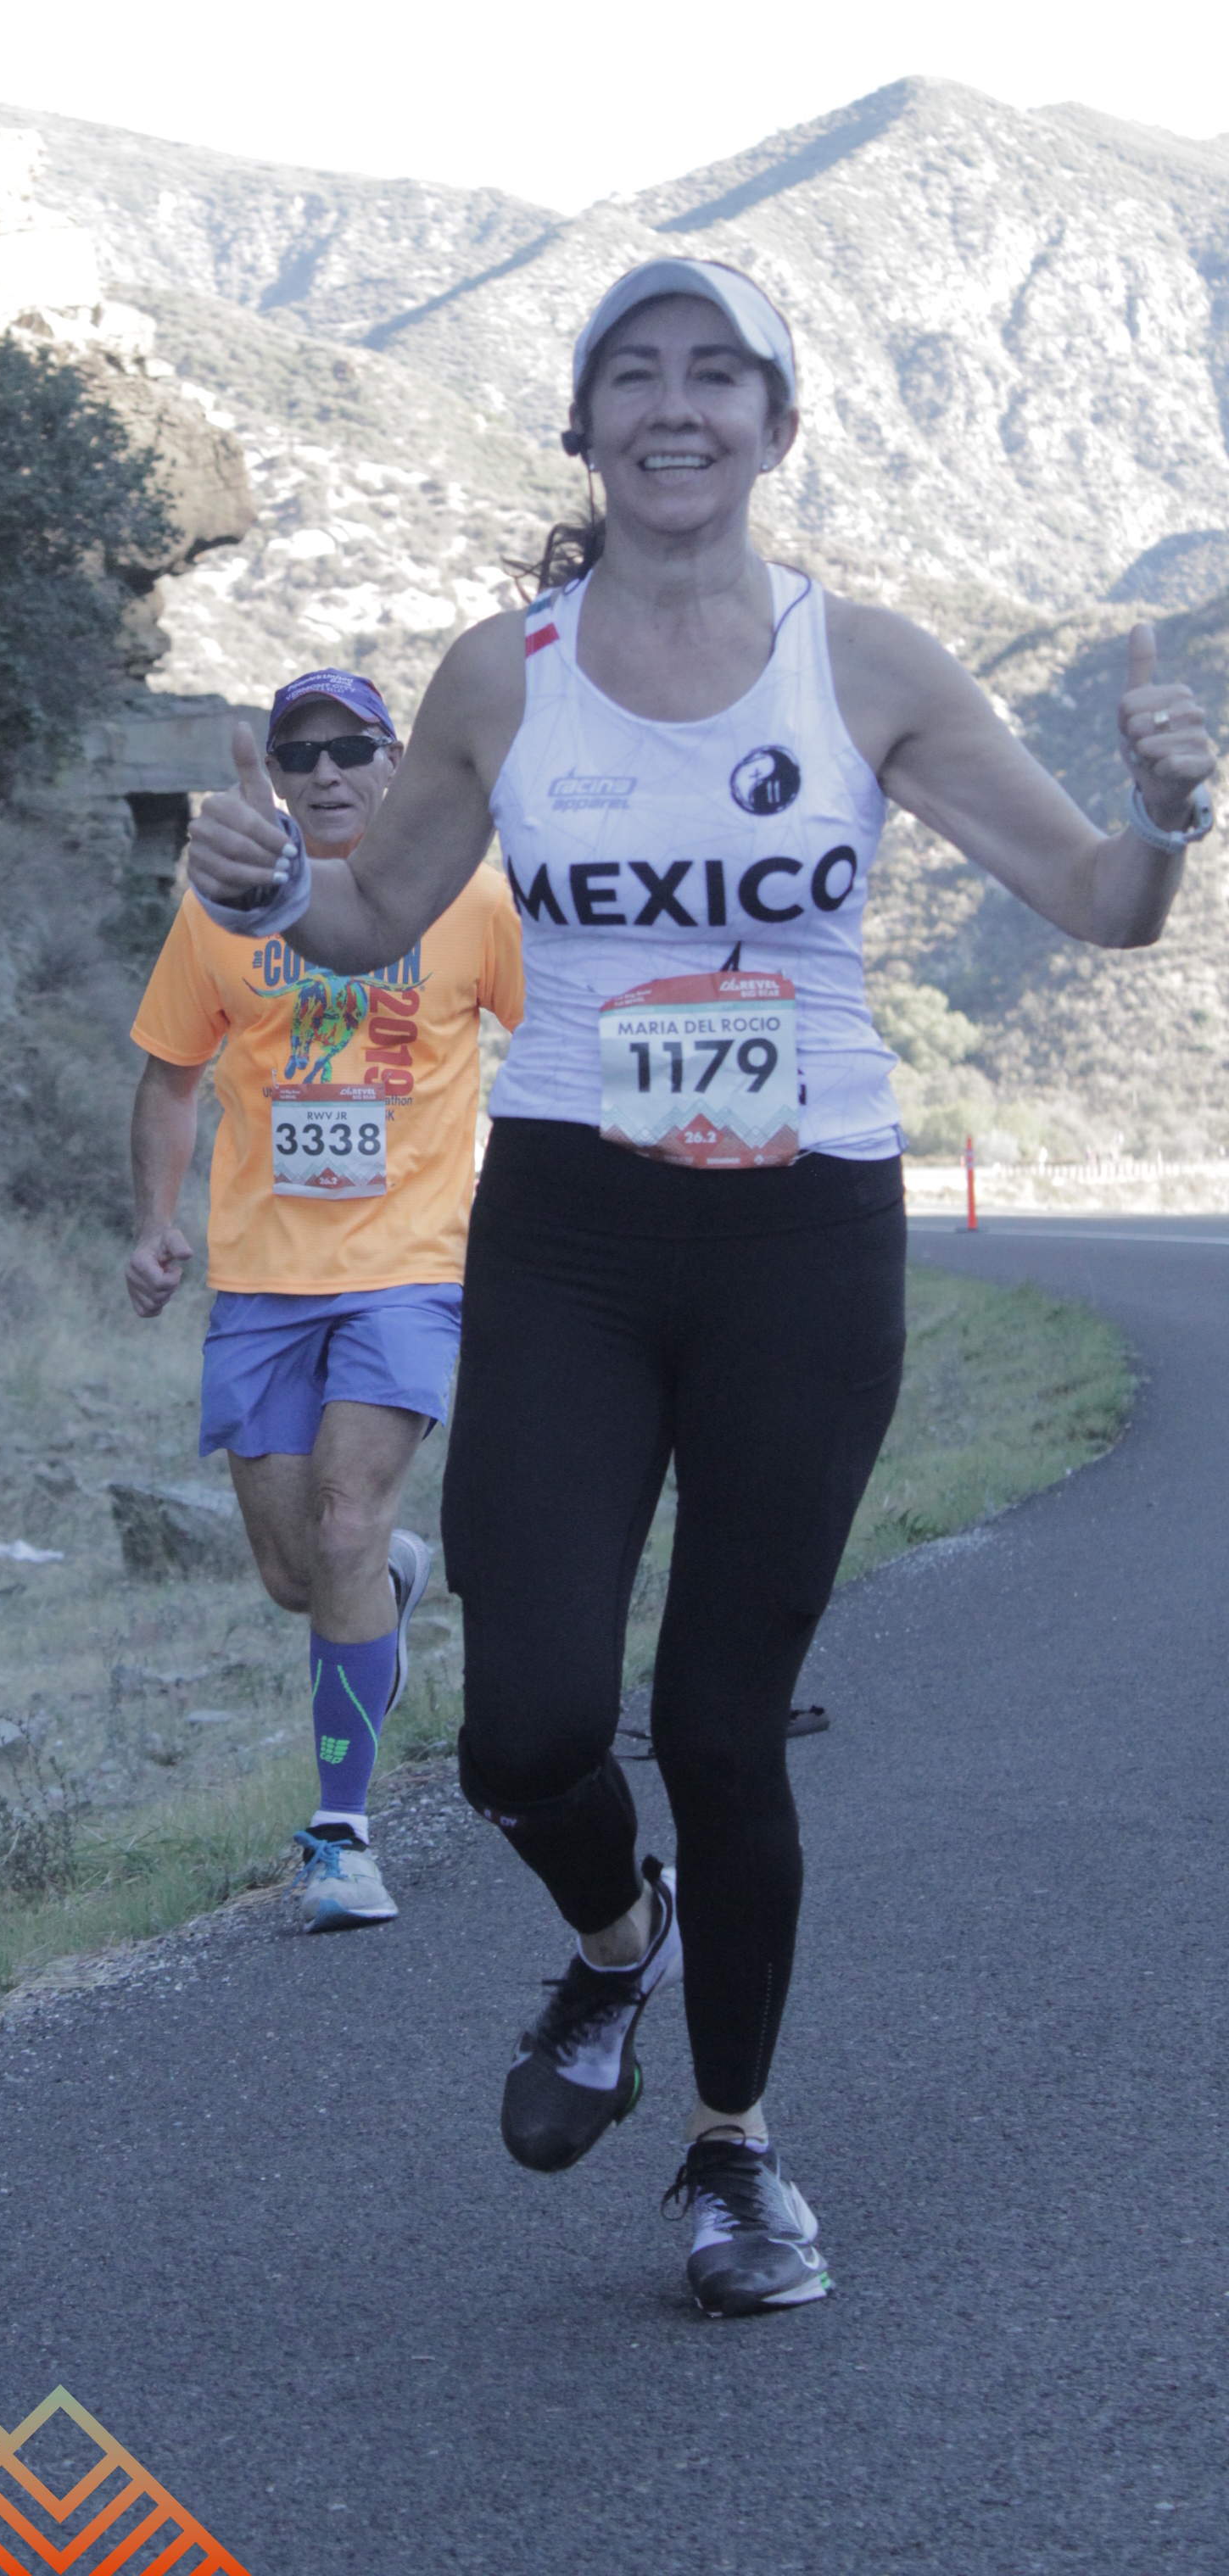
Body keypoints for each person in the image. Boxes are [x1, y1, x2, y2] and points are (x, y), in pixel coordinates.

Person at [181, 257, 1218, 2311]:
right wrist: (274, 886)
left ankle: (735, 2157)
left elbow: (1100, 906)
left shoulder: (869, 663)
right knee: (523, 1728)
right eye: (634, 376)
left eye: (717, 376)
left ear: (777, 425)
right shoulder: (503, 674)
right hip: (570, 1223)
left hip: (801, 1235)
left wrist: (1171, 819)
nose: (676, 405)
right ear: (582, 429)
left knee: (722, 1728)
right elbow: (374, 918)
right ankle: (613, 1942)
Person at [126, 667, 524, 1930]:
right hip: (262, 1279)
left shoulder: (471, 897)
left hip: (410, 1268)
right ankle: (384, 1592)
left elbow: (557, 1035)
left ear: (396, 761)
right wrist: (152, 1226)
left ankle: (343, 1835)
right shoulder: (223, 911)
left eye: (352, 748)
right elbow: (170, 1078)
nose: (328, 773)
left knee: (348, 1521)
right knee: (299, 1573)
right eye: (300, 756)